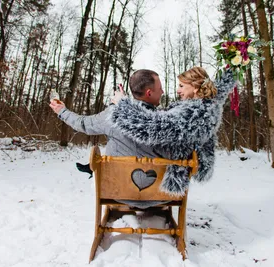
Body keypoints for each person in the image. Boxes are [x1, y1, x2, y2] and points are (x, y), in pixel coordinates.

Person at [49, 69, 166, 208]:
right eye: (160, 88)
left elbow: (83, 124)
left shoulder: (113, 114)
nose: (163, 92)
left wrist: (62, 111)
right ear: (149, 93)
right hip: (160, 194)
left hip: (118, 192)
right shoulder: (166, 120)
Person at [111, 67, 235, 196]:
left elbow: (151, 127)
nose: (178, 90)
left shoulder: (194, 115)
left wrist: (122, 104)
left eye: (181, 86)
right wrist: (234, 65)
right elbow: (221, 87)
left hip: (164, 185)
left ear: (195, 88)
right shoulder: (208, 104)